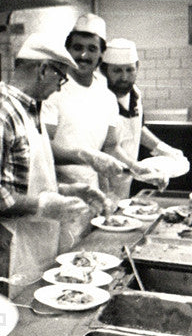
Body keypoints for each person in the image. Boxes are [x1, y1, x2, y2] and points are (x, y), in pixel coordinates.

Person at [0, 32, 103, 288]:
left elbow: (24, 180)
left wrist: (71, 191)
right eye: (60, 77)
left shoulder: (30, 112)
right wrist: (43, 206)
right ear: (43, 70)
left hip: (36, 240)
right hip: (10, 247)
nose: (58, 87)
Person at [43, 13, 156, 243]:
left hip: (93, 196)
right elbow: (43, 148)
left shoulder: (105, 96)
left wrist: (136, 168)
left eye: (92, 49)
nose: (84, 55)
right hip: (59, 193)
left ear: (101, 54)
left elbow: (111, 146)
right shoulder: (53, 89)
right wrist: (85, 156)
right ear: (68, 49)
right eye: (77, 47)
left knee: (88, 256)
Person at [100, 38, 186, 198]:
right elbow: (108, 146)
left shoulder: (135, 94)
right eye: (117, 71)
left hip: (127, 175)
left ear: (137, 68)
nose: (124, 77)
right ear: (105, 71)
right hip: (103, 180)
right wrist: (137, 168)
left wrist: (162, 148)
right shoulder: (100, 98)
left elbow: (137, 128)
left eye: (129, 70)